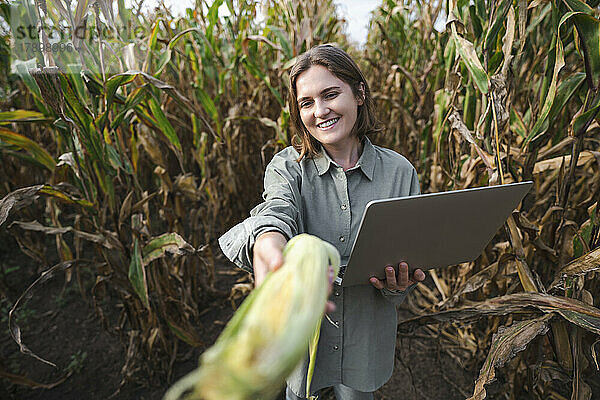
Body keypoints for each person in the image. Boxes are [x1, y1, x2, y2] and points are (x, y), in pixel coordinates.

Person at [218, 44, 426, 400]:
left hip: (365, 337)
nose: (320, 111)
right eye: (306, 102)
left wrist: (398, 283)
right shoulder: (287, 167)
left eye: (331, 94)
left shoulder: (399, 172)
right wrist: (269, 238)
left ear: (359, 93)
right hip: (303, 342)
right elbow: (277, 210)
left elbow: (404, 267)